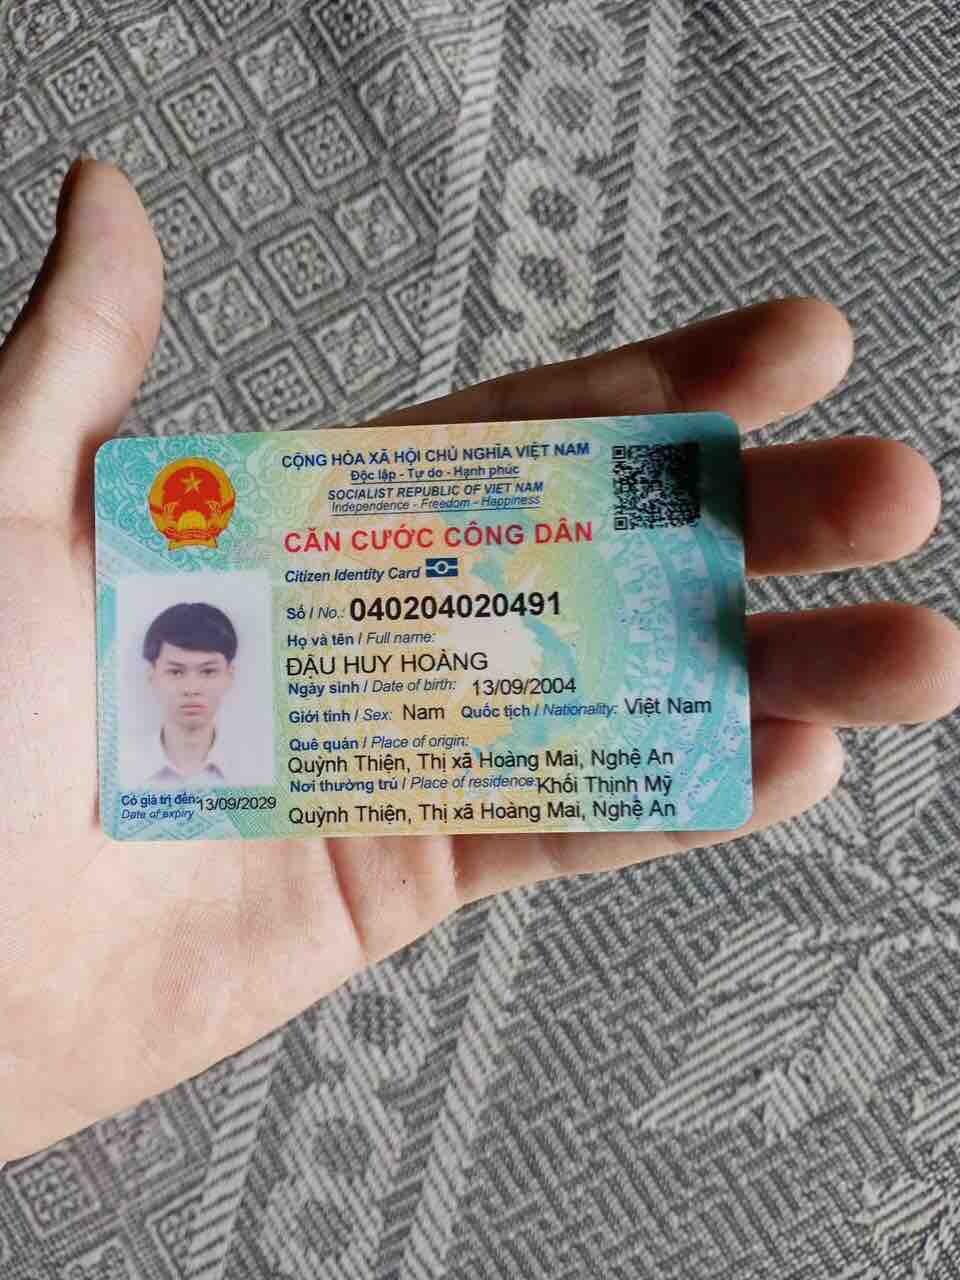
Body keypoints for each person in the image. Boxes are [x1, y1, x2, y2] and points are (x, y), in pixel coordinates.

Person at [0, 157, 958, 1167]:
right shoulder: (155, 759)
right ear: (153, 671)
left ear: (232, 674)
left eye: (207, 666)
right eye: (178, 666)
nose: (193, 684)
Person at [128, 601, 239, 788]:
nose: (191, 689)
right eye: (176, 672)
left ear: (229, 676)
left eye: (208, 672)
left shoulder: (253, 769)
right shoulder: (125, 771)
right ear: (152, 675)